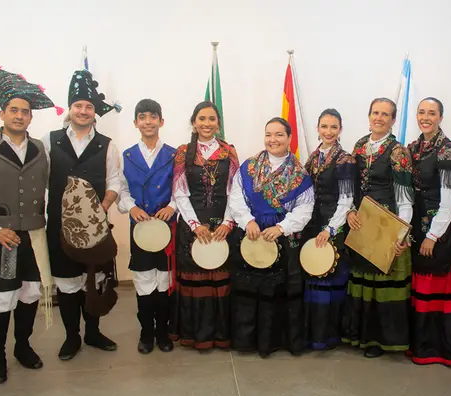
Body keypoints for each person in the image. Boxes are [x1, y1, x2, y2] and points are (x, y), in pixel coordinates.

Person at [0, 67, 59, 383]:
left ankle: (22, 346)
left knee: (31, 291)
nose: (19, 116)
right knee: (4, 295)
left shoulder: (41, 149)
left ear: (31, 118)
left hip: (34, 234)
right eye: (13, 110)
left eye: (25, 112)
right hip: (4, 238)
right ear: (2, 113)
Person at [44, 69, 122, 361]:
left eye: (89, 106)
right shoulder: (50, 140)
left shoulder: (107, 144)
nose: (83, 111)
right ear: (70, 108)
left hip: (96, 228)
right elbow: (40, 180)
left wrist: (103, 206)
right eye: (78, 105)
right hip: (61, 228)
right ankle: (71, 337)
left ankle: (92, 332)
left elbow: (115, 181)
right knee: (67, 284)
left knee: (93, 279)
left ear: (94, 112)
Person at [228, 117, 314, 357]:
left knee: (279, 292)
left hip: (282, 238)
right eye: (268, 134)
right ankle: (246, 340)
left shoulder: (299, 173)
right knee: (249, 289)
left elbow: (305, 208)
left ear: (289, 138)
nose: (272, 139)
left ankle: (275, 341)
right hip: (252, 235)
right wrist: (248, 222)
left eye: (279, 134)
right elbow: (236, 198)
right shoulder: (249, 166)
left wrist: (282, 228)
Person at [343, 97, 414, 358]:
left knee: (382, 280)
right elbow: (350, 187)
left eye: (385, 114)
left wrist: (402, 232)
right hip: (362, 221)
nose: (379, 118)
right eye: (375, 113)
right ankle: (360, 335)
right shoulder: (360, 146)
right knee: (363, 277)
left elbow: (405, 197)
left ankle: (381, 341)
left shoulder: (398, 151)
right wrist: (350, 210)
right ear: (369, 115)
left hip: (386, 222)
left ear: (393, 120)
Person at [169, 101, 239, 350]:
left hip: (222, 226)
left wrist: (229, 223)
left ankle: (221, 335)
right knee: (194, 279)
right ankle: (194, 334)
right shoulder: (182, 152)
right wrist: (194, 224)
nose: (207, 124)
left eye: (211, 119)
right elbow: (179, 193)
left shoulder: (229, 151)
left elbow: (235, 192)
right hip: (192, 226)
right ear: (193, 122)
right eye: (202, 119)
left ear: (218, 123)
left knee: (220, 278)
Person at [406, 97, 451, 366]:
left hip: (441, 226)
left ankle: (440, 348)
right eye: (421, 112)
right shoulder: (413, 148)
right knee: (420, 282)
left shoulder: (449, 151)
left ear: (441, 117)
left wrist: (433, 235)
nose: (426, 117)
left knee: (437, 284)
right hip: (418, 221)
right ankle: (419, 344)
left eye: (432, 113)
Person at [118, 99, 176, 354]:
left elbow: (182, 188)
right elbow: (121, 189)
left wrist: (172, 206)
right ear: (135, 123)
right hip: (140, 227)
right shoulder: (127, 155)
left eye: (153, 116)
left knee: (164, 279)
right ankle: (146, 333)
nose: (148, 121)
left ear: (161, 121)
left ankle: (163, 331)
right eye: (142, 117)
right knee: (143, 280)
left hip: (167, 228)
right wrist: (131, 207)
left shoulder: (175, 154)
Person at [301, 108, 355, 350]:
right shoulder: (312, 158)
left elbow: (346, 199)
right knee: (312, 275)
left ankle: (329, 336)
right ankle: (312, 334)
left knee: (331, 278)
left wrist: (331, 229)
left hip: (334, 226)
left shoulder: (346, 160)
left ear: (340, 130)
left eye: (334, 127)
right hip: (312, 225)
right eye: (324, 126)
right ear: (317, 128)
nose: (328, 131)